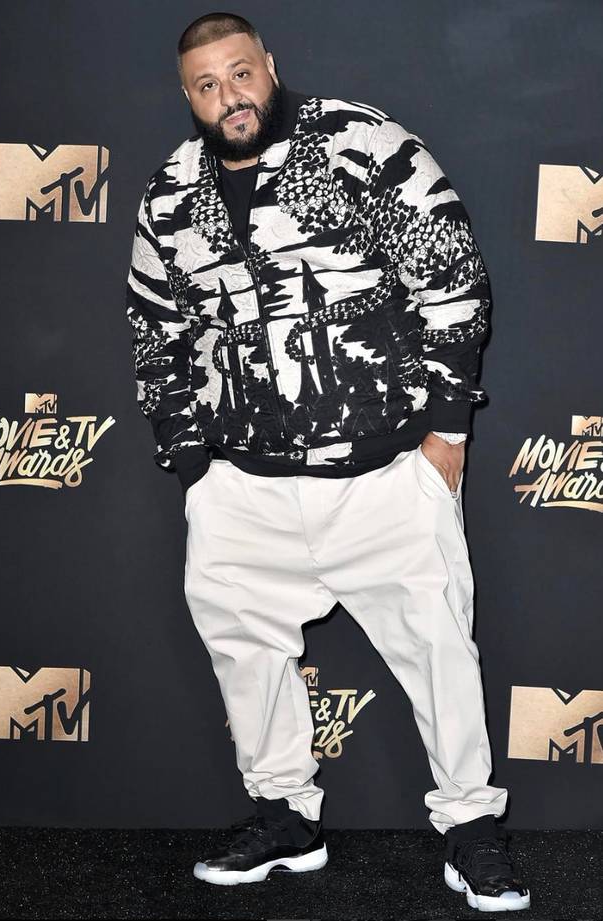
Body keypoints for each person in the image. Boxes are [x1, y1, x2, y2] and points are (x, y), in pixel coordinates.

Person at [124, 11, 531, 912]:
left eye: (240, 73)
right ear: (188, 95)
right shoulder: (171, 191)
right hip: (242, 487)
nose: (230, 97)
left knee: (439, 652)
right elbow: (155, 327)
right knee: (245, 659)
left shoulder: (359, 141)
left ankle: (471, 828)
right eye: (207, 85)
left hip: (381, 477)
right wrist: (190, 459)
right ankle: (285, 817)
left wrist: (447, 432)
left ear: (269, 65)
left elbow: (453, 277)